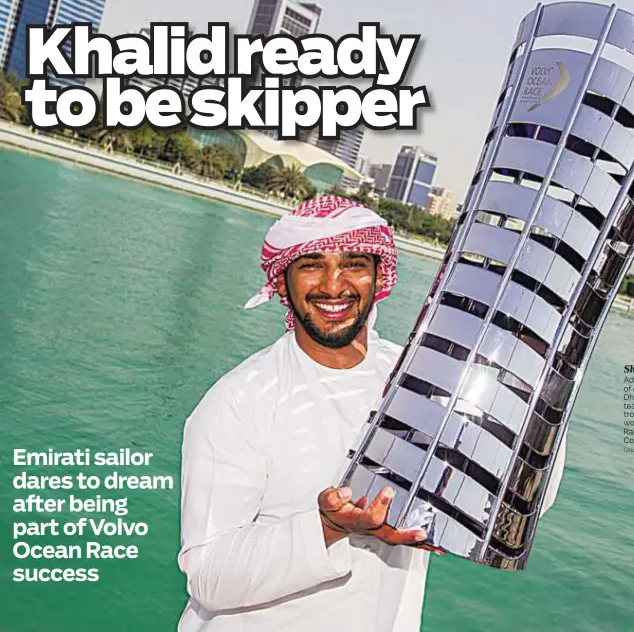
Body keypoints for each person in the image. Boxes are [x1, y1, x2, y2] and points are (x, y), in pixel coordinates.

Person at [177, 194, 566, 632]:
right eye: (310, 265)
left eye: (354, 264)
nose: (332, 284)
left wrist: (534, 389)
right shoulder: (239, 400)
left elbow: (515, 500)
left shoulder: (424, 378)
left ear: (378, 277)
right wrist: (327, 527)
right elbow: (209, 576)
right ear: (283, 283)